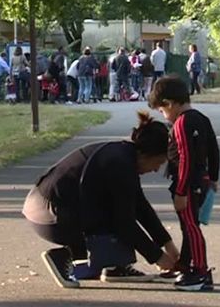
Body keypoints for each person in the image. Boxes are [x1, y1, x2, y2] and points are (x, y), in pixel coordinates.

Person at [22, 112, 179, 288]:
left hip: (43, 206)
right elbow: (125, 223)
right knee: (118, 214)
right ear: (146, 154)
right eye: (158, 162)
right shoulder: (119, 165)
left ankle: (114, 266)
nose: (157, 169)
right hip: (49, 214)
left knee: (119, 207)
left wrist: (167, 244)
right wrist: (157, 256)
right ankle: (63, 257)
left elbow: (141, 207)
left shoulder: (123, 155)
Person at [149, 75, 220, 291]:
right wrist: (214, 178)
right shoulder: (201, 118)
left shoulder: (180, 124)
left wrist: (180, 191)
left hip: (187, 184)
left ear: (169, 104)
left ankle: (200, 271)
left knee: (191, 227)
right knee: (190, 226)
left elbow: (185, 158)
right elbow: (214, 149)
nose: (165, 116)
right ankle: (187, 264)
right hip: (202, 179)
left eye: (162, 111)